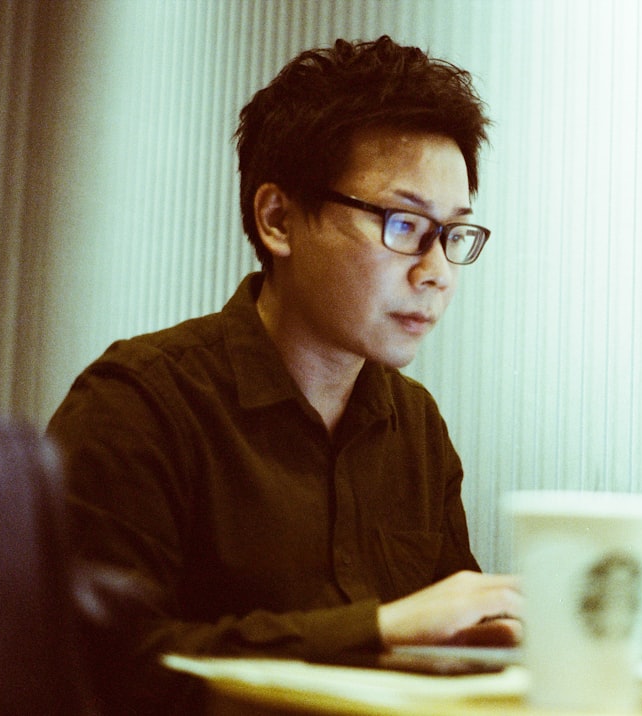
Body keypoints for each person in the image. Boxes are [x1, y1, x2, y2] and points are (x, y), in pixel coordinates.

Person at [47, 36, 520, 714]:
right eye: (404, 224)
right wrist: (379, 627)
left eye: (453, 235)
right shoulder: (138, 403)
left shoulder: (415, 425)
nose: (436, 272)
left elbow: (453, 644)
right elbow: (99, 665)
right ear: (278, 220)